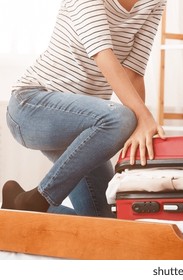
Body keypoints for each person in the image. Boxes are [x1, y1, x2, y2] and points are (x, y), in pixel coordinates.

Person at [1, 0, 166, 217]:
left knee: (105, 221)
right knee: (121, 118)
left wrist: (140, 133)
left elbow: (133, 72)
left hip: (86, 124)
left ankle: (19, 208)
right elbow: (102, 54)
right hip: (32, 106)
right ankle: (37, 199)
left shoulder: (155, 2)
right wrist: (142, 118)